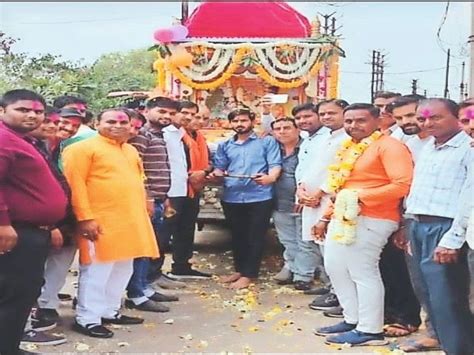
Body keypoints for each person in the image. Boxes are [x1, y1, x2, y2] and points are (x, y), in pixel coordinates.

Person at [314, 103, 413, 347]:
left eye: (360, 121)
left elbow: (402, 185)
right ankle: (352, 319)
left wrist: (357, 197)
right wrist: (325, 217)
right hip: (343, 215)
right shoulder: (350, 147)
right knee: (336, 267)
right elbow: (341, 188)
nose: (353, 126)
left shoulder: (390, 146)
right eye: (349, 121)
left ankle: (371, 330)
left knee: (362, 271)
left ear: (378, 121)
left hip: (374, 218)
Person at [63, 109, 159, 338]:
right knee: (97, 270)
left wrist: (147, 203)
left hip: (130, 220)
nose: (117, 125)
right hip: (99, 221)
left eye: (123, 122)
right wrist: (85, 218)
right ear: (97, 123)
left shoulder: (130, 150)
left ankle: (109, 310)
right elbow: (75, 185)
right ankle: (87, 318)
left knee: (123, 268)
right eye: (111, 121)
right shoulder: (80, 149)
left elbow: (138, 180)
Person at [0, 89, 68, 355]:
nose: (32, 115)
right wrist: (3, 224)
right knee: (13, 296)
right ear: (3, 111)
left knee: (22, 294)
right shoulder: (4, 140)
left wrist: (49, 225)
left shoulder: (23, 140)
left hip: (31, 231)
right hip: (16, 232)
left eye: (38, 111)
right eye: (23, 110)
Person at [404, 98, 474, 355]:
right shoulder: (428, 148)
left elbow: (470, 197)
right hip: (419, 226)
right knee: (428, 294)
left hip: (446, 229)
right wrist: (409, 227)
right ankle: (445, 344)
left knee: (448, 299)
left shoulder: (468, 148)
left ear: (457, 117)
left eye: (436, 117)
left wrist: (453, 239)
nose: (427, 123)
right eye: (422, 118)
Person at [211, 108, 282, 289]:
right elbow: (220, 168)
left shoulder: (266, 141)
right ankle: (239, 270)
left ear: (252, 121)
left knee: (255, 236)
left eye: (243, 120)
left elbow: (275, 164)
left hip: (259, 196)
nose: (239, 124)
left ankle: (249, 274)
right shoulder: (225, 145)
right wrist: (215, 175)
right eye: (235, 122)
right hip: (232, 196)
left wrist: (270, 178)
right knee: (237, 236)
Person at [129, 97, 185, 292]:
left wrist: (165, 196)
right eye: (161, 112)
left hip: (160, 199)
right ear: (146, 111)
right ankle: (139, 291)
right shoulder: (142, 135)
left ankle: (146, 287)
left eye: (171, 113)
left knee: (153, 246)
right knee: (143, 249)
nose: (166, 116)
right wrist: (148, 197)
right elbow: (136, 168)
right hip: (147, 201)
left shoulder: (159, 135)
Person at [299, 99, 349, 315]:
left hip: (329, 201)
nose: (327, 117)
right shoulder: (325, 138)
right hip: (312, 200)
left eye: (332, 113)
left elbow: (340, 173)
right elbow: (310, 168)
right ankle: (333, 288)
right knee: (322, 248)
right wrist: (302, 189)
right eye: (323, 113)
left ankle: (343, 297)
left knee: (335, 252)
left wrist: (319, 193)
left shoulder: (348, 139)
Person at [170, 101, 213, 278]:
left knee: (187, 229)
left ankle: (182, 265)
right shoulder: (175, 136)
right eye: (197, 117)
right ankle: (152, 275)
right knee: (167, 231)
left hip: (193, 188)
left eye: (205, 118)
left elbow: (209, 162)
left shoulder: (199, 137)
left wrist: (204, 172)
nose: (200, 121)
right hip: (175, 190)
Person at [293, 103, 331, 292]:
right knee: (310, 239)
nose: (303, 121)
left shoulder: (329, 138)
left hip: (324, 199)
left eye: (308, 116)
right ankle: (328, 284)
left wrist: (316, 194)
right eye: (299, 118)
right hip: (307, 198)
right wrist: (300, 191)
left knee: (326, 243)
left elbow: (329, 171)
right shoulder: (308, 140)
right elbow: (303, 171)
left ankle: (332, 287)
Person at [270, 117, 303, 289]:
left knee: (305, 241)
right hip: (280, 202)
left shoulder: (307, 147)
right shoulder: (273, 149)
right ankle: (290, 266)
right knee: (287, 240)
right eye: (278, 129)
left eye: (287, 127)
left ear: (297, 129)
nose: (282, 131)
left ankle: (303, 274)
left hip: (303, 203)